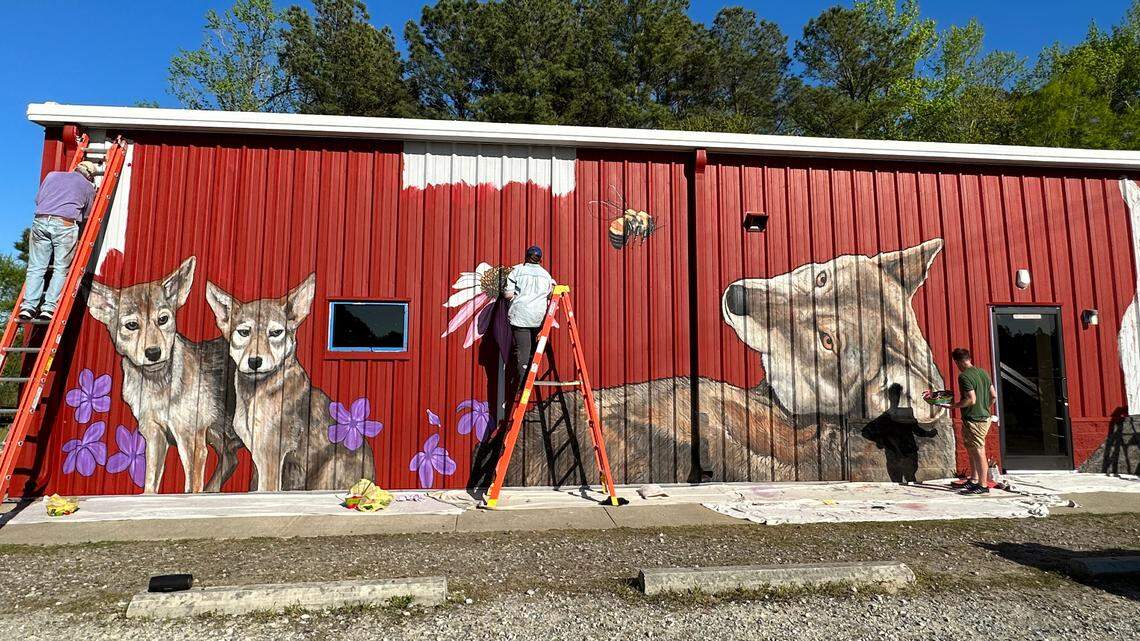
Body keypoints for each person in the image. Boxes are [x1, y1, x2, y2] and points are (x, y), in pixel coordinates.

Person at [18, 161, 98, 322]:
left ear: (77, 167)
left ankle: (28, 306)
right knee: (61, 268)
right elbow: (88, 215)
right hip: (65, 225)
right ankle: (49, 308)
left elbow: (38, 199)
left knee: (36, 267)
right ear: (89, 175)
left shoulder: (52, 175)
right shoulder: (88, 186)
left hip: (40, 221)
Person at [504, 245, 555, 386]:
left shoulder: (517, 271)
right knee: (533, 348)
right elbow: (551, 293)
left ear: (526, 257)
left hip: (520, 316)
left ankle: (522, 383)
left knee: (523, 350)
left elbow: (508, 295)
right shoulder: (546, 275)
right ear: (540, 260)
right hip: (538, 317)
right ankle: (529, 372)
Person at [949, 347, 998, 495]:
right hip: (984, 417)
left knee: (978, 451)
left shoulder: (964, 377)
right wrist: (985, 407)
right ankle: (974, 479)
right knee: (971, 448)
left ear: (958, 361)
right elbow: (994, 395)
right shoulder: (983, 373)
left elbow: (971, 399)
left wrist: (953, 405)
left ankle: (982, 485)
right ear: (969, 359)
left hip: (974, 419)